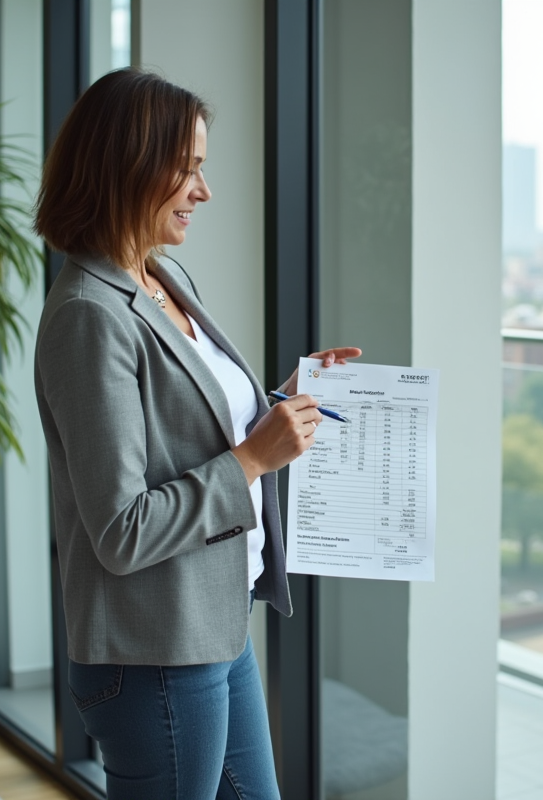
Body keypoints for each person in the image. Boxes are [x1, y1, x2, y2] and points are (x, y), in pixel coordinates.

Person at [32, 68, 359, 799]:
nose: (203, 192)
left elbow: (186, 427)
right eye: (188, 170)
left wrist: (284, 405)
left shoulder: (162, 278)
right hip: (154, 656)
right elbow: (122, 529)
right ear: (128, 168)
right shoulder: (90, 315)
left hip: (215, 624)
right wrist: (251, 457)